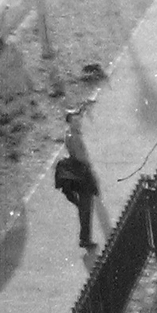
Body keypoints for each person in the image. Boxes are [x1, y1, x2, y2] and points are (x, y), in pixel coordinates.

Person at [54, 103, 101, 252]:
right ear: (70, 122)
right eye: (75, 121)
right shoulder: (74, 137)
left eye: (78, 120)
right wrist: (90, 169)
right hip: (82, 173)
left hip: (77, 172)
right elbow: (81, 157)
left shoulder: (69, 134)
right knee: (86, 207)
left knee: (84, 206)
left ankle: (85, 238)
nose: (78, 122)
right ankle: (85, 239)